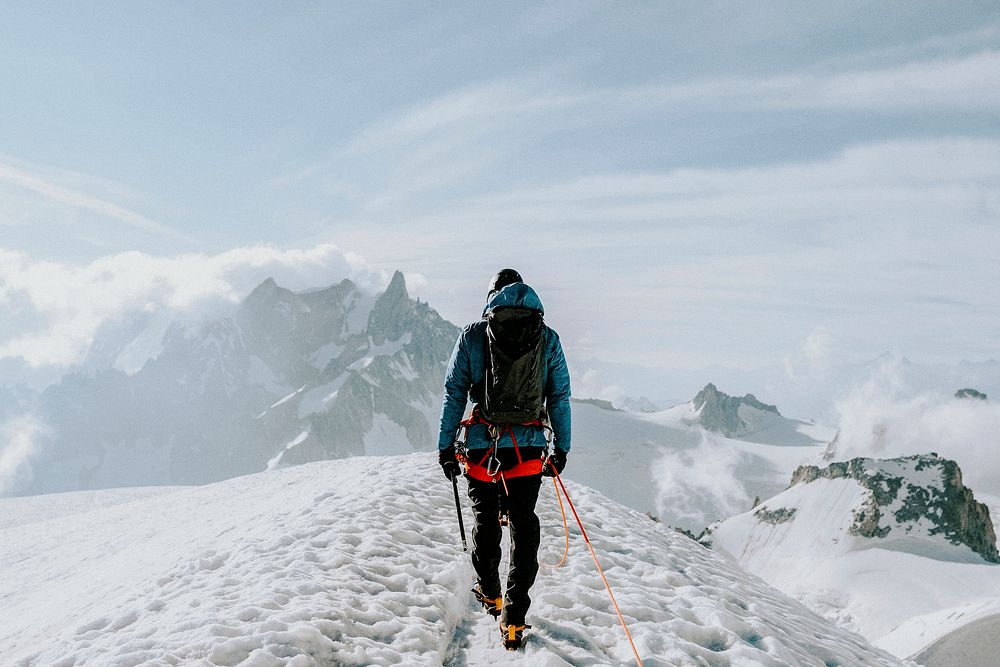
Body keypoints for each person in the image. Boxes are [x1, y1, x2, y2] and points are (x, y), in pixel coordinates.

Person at [437, 268, 571, 650]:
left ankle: (491, 592)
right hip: (527, 447)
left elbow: (454, 392)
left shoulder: (474, 335)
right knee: (524, 522)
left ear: (492, 296)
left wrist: (446, 446)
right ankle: (515, 617)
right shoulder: (547, 338)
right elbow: (559, 395)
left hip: (483, 443)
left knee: (485, 517)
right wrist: (562, 447)